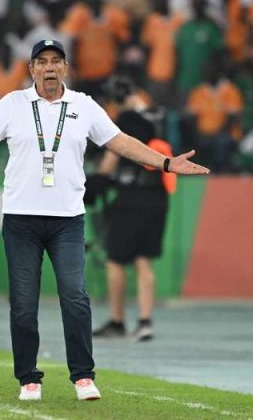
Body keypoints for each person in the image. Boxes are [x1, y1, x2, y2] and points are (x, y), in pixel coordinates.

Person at [0, 39, 210, 401]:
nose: (49, 67)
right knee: (24, 304)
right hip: (21, 220)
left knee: (75, 296)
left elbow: (120, 141)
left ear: (66, 68)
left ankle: (83, 376)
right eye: (42, 61)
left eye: (56, 61)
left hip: (67, 219)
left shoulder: (84, 105)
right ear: (32, 69)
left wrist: (166, 163)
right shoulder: (13, 104)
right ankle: (28, 379)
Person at [91, 76, 175, 342]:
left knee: (115, 260)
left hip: (131, 198)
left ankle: (117, 321)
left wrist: (97, 182)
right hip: (158, 195)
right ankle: (145, 322)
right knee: (143, 259)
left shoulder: (125, 121)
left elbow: (111, 159)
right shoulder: (159, 115)